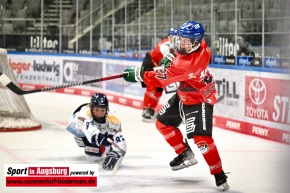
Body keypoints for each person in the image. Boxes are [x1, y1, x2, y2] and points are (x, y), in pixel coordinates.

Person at [122, 21, 230, 191]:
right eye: (181, 39)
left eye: (186, 41)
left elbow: (161, 79)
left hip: (200, 98)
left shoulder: (188, 65)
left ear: (195, 41)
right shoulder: (200, 44)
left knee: (202, 140)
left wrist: (139, 74)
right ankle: (184, 152)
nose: (181, 43)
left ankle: (219, 173)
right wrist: (172, 55)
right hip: (184, 93)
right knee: (162, 124)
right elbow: (178, 56)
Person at [66, 93, 127, 173]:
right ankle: (105, 146)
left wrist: (117, 153)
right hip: (79, 129)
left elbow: (121, 141)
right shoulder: (82, 116)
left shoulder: (113, 120)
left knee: (93, 156)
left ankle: (106, 147)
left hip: (98, 130)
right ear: (91, 108)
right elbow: (90, 130)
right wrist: (100, 138)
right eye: (97, 110)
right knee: (82, 142)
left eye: (103, 110)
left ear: (106, 109)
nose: (100, 113)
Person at [141, 27, 177, 122]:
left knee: (158, 90)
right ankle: (147, 110)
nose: (174, 38)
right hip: (151, 63)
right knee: (152, 88)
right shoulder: (165, 44)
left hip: (159, 67)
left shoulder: (177, 45)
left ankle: (151, 109)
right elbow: (168, 57)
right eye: (172, 36)